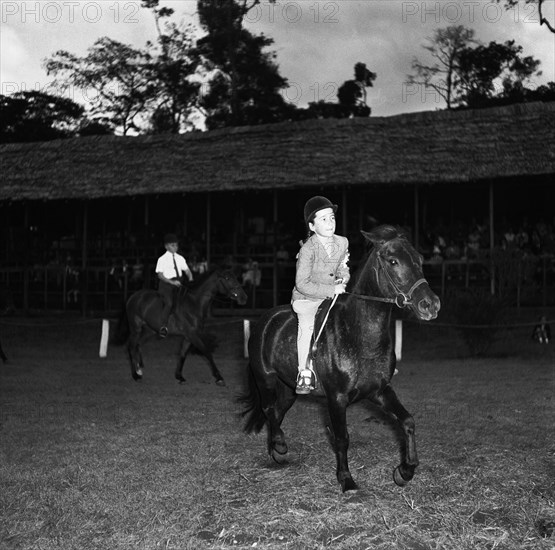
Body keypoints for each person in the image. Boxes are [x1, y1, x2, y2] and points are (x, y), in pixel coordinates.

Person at [291, 196, 350, 394]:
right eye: (323, 219)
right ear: (312, 226)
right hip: (307, 297)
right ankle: (304, 372)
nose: (329, 223)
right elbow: (302, 283)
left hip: (333, 294)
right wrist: (331, 289)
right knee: (306, 326)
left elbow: (342, 267)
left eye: (332, 218)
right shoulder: (308, 250)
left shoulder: (342, 242)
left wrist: (342, 278)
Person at [155, 233, 194, 337]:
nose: (175, 247)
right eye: (173, 245)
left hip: (179, 283)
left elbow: (187, 271)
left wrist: (190, 279)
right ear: (166, 246)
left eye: (176, 245)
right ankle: (163, 327)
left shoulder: (180, 258)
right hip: (166, 285)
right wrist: (172, 282)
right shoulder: (162, 259)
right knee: (169, 303)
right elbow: (160, 275)